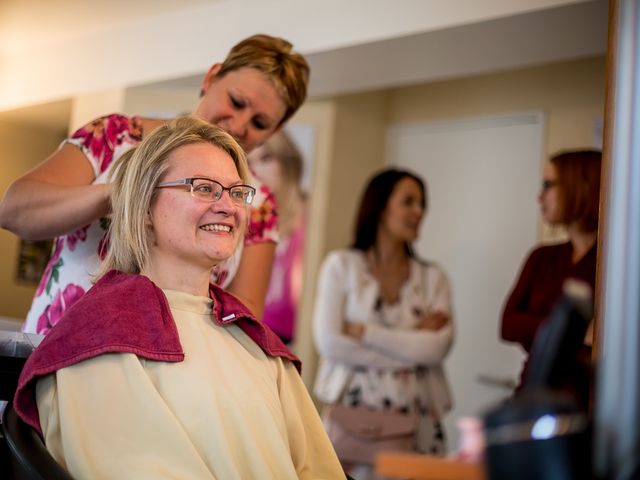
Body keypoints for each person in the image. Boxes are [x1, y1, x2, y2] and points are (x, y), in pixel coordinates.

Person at [13, 117, 345, 479]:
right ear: (144, 208)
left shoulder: (260, 346)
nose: (229, 207)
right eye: (203, 188)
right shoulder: (98, 336)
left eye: (236, 192)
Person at [0, 34, 309, 333]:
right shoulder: (114, 138)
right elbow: (13, 210)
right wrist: (124, 190)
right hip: (54, 347)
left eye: (260, 123)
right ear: (212, 78)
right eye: (236, 101)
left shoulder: (257, 204)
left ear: (276, 130)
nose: (239, 125)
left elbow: (243, 317)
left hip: (163, 372)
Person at [312, 168, 454, 477]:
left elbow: (437, 348)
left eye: (422, 204)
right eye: (409, 201)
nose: (419, 212)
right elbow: (330, 344)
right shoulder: (341, 266)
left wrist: (366, 334)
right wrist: (412, 341)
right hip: (353, 427)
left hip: (420, 429)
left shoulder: (433, 278)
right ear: (380, 206)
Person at [501, 149, 601, 402]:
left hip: (589, 400)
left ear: (580, 186)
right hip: (534, 393)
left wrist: (539, 326)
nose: (539, 196)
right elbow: (508, 324)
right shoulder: (542, 257)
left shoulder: (613, 264)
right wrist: (571, 329)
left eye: (548, 185)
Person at [247, 130, 306, 344]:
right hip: (250, 336)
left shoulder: (311, 217)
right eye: (247, 162)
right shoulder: (243, 217)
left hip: (295, 340)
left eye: (265, 158)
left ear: (286, 160)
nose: (254, 170)